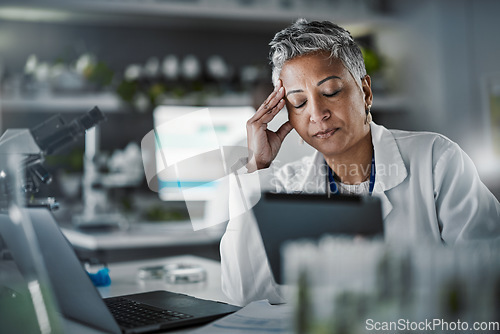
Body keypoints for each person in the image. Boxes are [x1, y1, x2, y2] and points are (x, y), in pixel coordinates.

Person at [220, 19, 500, 307]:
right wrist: (256, 166)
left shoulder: (436, 159)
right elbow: (245, 292)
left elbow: (488, 273)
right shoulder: (287, 184)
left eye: (330, 92)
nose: (317, 114)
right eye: (299, 103)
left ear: (366, 91)